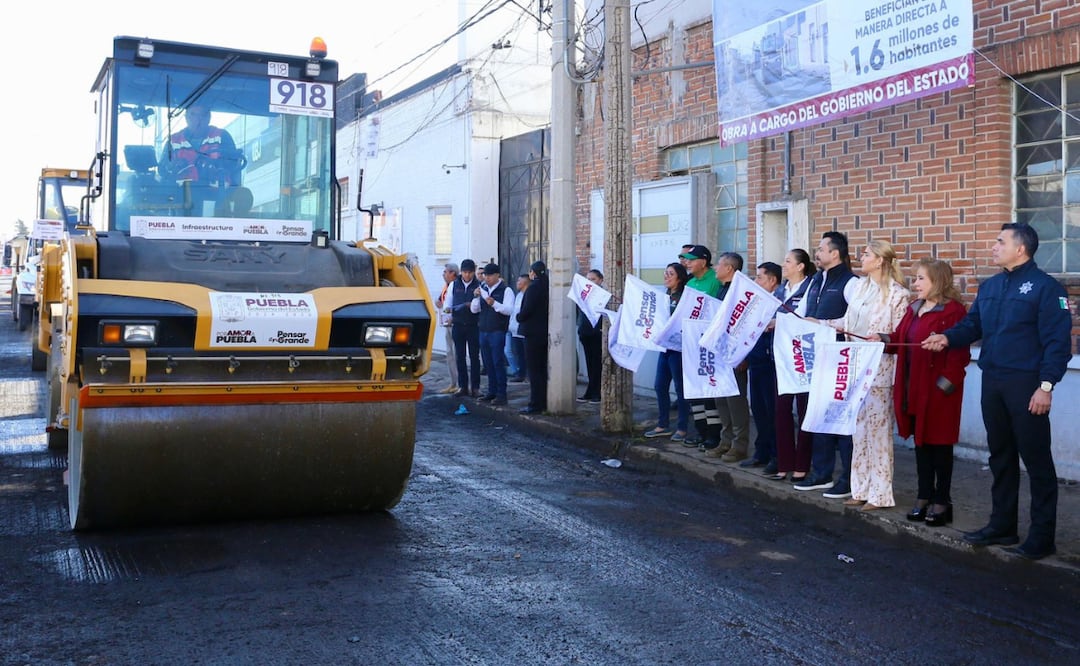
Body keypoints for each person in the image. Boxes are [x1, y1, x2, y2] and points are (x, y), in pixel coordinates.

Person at [923, 223, 1071, 560]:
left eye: (1000, 242)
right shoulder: (990, 286)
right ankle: (1002, 524)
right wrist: (947, 338)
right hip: (994, 380)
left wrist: (1045, 387)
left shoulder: (1047, 289)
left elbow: (1057, 343)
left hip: (1027, 384)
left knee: (1037, 462)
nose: (993, 246)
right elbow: (973, 325)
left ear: (1021, 248)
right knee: (1000, 457)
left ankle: (1042, 536)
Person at [876, 258, 970, 527]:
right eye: (915, 278)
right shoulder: (914, 308)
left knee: (939, 446)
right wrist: (881, 340)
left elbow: (959, 356)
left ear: (937, 281)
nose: (914, 283)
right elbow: (900, 338)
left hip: (939, 393)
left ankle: (942, 501)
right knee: (921, 445)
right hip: (913, 388)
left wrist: (944, 387)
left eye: (920, 279)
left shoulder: (953, 312)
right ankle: (924, 496)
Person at [840, 240, 910, 511]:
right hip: (854, 366)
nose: (861, 256)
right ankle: (860, 488)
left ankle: (880, 494)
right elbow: (848, 323)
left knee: (878, 433)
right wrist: (819, 323)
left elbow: (900, 336)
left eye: (866, 253)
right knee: (858, 431)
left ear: (880, 260)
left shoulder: (897, 294)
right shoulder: (859, 287)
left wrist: (881, 337)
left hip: (880, 370)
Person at [793, 231, 860, 497]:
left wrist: (821, 324)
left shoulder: (851, 282)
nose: (816, 253)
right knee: (818, 416)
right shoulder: (815, 280)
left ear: (835, 253)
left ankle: (848, 478)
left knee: (841, 421)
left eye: (821, 249)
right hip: (814, 359)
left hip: (840, 361)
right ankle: (822, 473)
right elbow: (802, 314)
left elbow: (854, 322)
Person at [772, 249, 817, 482]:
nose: (784, 264)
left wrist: (778, 321)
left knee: (804, 410)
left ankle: (802, 464)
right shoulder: (781, 290)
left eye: (788, 261)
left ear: (801, 266)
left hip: (802, 356)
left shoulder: (810, 288)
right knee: (781, 411)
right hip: (781, 357)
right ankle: (784, 462)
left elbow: (805, 319)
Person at [707, 252, 751, 463]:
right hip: (719, 354)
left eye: (719, 264)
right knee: (721, 399)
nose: (715, 267)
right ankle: (725, 441)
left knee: (736, 402)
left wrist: (743, 355)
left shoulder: (739, 292)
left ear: (730, 268)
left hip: (735, 355)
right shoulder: (722, 289)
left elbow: (745, 326)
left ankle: (739, 445)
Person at [159, 103, 242, 212]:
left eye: (202, 115)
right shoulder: (174, 141)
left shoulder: (222, 136)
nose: (198, 120)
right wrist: (173, 166)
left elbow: (234, 165)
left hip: (218, 200)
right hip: (182, 201)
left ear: (209, 118)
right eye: (193, 115)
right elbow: (162, 170)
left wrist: (215, 165)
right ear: (186, 118)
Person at [679, 245, 722, 450]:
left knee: (709, 392)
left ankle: (714, 435)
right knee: (694, 391)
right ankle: (701, 432)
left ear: (703, 262)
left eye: (691, 259)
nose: (687, 263)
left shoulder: (714, 279)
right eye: (686, 259)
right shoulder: (691, 282)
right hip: (690, 345)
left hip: (708, 345)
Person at [643, 263, 692, 442]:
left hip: (678, 350)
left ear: (679, 278)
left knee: (680, 389)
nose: (666, 276)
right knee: (659, 385)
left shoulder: (684, 297)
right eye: (665, 273)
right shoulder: (665, 296)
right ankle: (663, 424)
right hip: (664, 349)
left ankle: (682, 428)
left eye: (670, 274)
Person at [740, 261, 781, 473]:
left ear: (772, 281)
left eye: (759, 278)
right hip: (755, 362)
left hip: (770, 364)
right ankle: (761, 452)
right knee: (758, 411)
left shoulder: (779, 302)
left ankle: (776, 456)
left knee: (771, 412)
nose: (755, 281)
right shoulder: (757, 301)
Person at [472, 263, 514, 406]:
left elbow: (508, 310)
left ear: (497, 275)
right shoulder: (483, 289)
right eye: (485, 276)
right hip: (483, 330)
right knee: (488, 363)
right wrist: (476, 297)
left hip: (497, 330)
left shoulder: (506, 290)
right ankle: (491, 391)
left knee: (497, 362)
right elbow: (474, 310)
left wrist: (494, 303)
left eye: (490, 275)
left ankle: (501, 394)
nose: (487, 278)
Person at [516, 260, 550, 414]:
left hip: (532, 332)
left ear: (532, 273)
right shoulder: (548, 286)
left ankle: (535, 403)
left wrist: (519, 317)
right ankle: (543, 402)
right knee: (541, 369)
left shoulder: (533, 288)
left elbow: (526, 310)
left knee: (534, 370)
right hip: (543, 332)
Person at [446, 259, 482, 398]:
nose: (467, 275)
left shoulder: (479, 285)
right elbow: (448, 304)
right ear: (461, 272)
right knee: (459, 356)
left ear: (474, 272)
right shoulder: (454, 285)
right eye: (465, 272)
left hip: (473, 325)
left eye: (470, 272)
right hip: (458, 324)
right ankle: (462, 386)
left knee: (474, 357)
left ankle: (476, 388)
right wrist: (448, 315)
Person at [576, 269, 604, 403]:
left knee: (596, 363)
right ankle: (590, 390)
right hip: (585, 332)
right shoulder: (585, 294)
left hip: (597, 333)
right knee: (589, 363)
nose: (590, 282)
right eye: (588, 279)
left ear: (600, 280)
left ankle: (597, 392)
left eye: (593, 279)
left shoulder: (603, 295)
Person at [435, 262, 460, 394]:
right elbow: (441, 300)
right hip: (446, 323)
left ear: (452, 273)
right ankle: (453, 382)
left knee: (456, 354)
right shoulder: (446, 286)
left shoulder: (457, 286)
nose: (443, 274)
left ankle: (460, 383)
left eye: (445, 272)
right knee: (450, 354)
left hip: (455, 323)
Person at [507, 273, 530, 382]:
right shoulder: (519, 295)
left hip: (524, 330)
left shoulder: (529, 295)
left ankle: (527, 375)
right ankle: (520, 374)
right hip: (514, 329)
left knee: (526, 354)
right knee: (518, 353)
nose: (517, 283)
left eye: (519, 281)